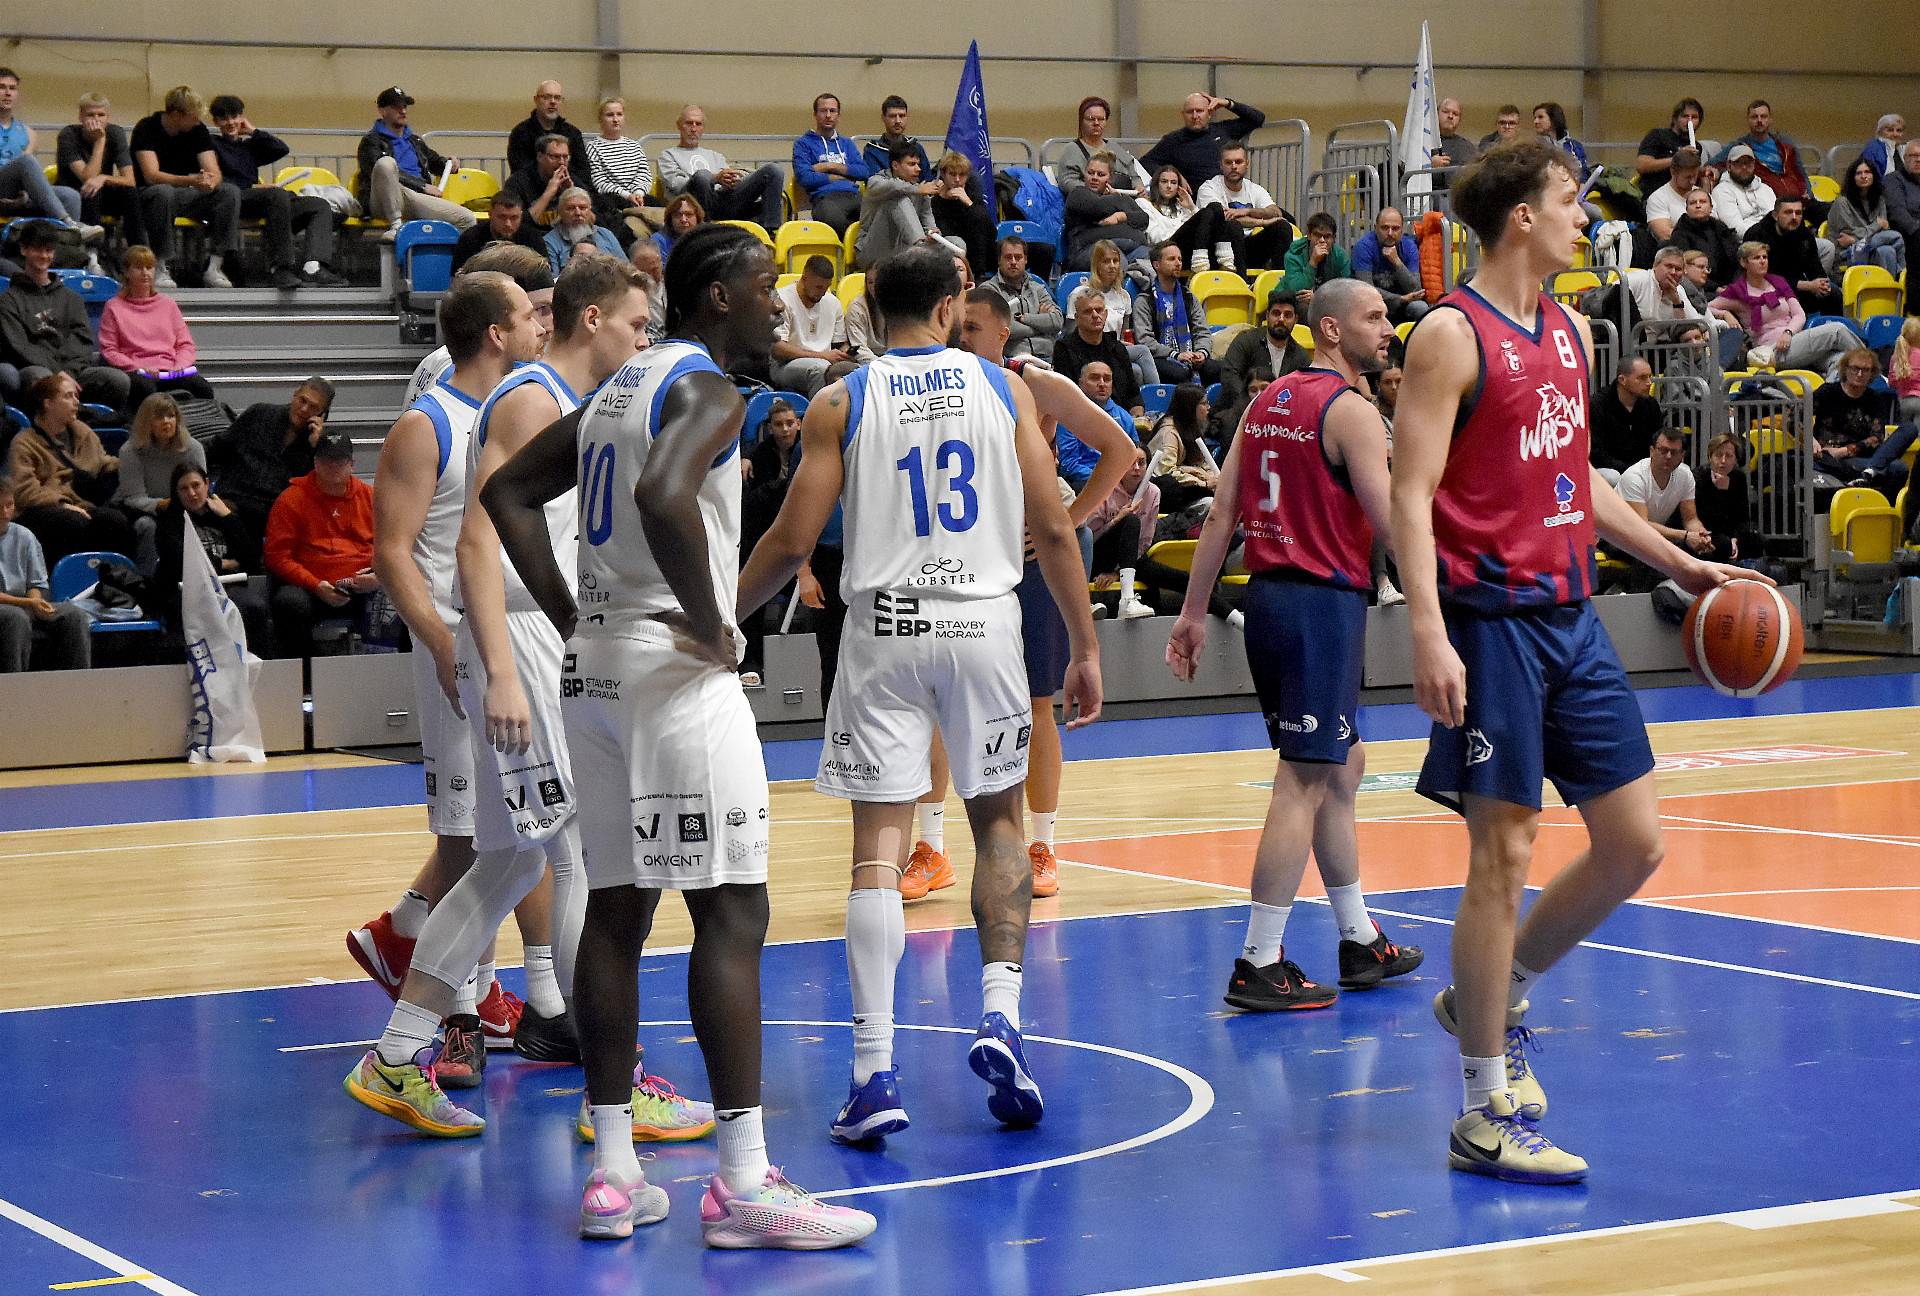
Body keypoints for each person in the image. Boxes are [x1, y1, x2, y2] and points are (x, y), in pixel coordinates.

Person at [479, 220, 875, 1246]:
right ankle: (741, 1183)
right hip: (671, 675)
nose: (779, 299)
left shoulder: (618, 385)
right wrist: (715, 622)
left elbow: (508, 491)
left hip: (595, 669)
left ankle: (613, 1176)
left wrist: (572, 615)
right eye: (764, 283)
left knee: (616, 911)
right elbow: (662, 494)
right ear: (720, 297)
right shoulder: (706, 389)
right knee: (731, 912)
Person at [1388, 135, 1752, 1186]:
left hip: (1572, 617)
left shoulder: (1571, 330)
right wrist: (1426, 629)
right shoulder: (1450, 335)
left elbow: (1575, 478)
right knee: (1503, 855)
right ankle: (1481, 1108)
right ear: (1522, 217)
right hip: (1491, 622)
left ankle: (1497, 993)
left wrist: (1680, 560)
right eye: (1568, 200)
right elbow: (1410, 493)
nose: (1584, 217)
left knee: (1634, 844)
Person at [737, 240, 1103, 1154]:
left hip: (884, 629)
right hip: (984, 624)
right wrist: (1086, 644)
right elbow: (1055, 527)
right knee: (1000, 824)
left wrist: (720, 617)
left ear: (870, 311)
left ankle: (872, 1072)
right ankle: (1001, 1015)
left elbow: (790, 541)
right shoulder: (1004, 389)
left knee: (878, 851)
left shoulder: (839, 399)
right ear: (949, 308)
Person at [1169, 275, 1424, 1010]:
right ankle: (1258, 960)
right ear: (1332, 330)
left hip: (1271, 601)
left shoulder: (1264, 403)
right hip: (1319, 608)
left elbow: (1222, 513)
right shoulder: (1351, 412)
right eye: (1374, 316)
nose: (1388, 327)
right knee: (1302, 780)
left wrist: (1192, 613)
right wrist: (1446, 603)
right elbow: (1391, 525)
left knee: (1344, 767)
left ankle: (1358, 938)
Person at [955, 284, 1134, 896]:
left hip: (1035, 557)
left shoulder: (1034, 382)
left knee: (1037, 703)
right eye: (957, 325)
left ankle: (1043, 844)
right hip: (973, 556)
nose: (960, 336)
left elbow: (1121, 449)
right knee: (941, 701)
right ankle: (931, 845)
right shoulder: (942, 386)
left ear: (1002, 333)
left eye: (972, 327)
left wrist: (1070, 518)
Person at [206, 95, 343, 288]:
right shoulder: (212, 145)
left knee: (318, 205)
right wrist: (253, 188)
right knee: (276, 194)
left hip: (264, 202)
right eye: (224, 118)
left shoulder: (249, 146)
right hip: (235, 200)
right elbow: (217, 181)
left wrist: (253, 131)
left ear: (242, 117)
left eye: (235, 117)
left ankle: (313, 267)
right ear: (215, 122)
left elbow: (281, 149)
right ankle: (281, 268)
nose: (230, 122)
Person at [0, 221, 133, 417]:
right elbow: (19, 346)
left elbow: (82, 340)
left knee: (118, 380)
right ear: (24, 250)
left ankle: (100, 424)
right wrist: (57, 373)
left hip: (71, 371)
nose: (44, 256)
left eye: (48, 250)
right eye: (38, 249)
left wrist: (67, 373)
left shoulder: (71, 298)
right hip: (35, 371)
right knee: (42, 378)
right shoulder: (8, 300)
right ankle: (71, 422)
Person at [264, 431, 376, 658]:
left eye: (340, 460)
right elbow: (277, 557)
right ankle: (303, 675)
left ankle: (400, 670)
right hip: (312, 589)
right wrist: (316, 585)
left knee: (407, 596)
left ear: (352, 464)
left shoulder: (371, 497)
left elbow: (393, 547)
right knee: (289, 603)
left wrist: (380, 576)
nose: (333, 465)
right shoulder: (291, 499)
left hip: (365, 588)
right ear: (316, 463)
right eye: (327, 459)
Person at [6, 372, 134, 569]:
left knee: (116, 521)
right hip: (41, 509)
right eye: (68, 396)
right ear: (48, 404)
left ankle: (119, 578)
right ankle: (67, 577)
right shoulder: (25, 442)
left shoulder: (82, 432)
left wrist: (134, 464)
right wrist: (62, 504)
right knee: (74, 523)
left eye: (75, 395)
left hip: (80, 505)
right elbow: (24, 492)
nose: (76, 401)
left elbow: (103, 462)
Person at [153, 461, 272, 654]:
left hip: (227, 586)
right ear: (176, 492)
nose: (192, 493)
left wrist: (229, 517)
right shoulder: (168, 521)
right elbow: (182, 560)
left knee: (255, 607)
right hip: (188, 590)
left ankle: (258, 664)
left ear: (207, 484)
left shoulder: (224, 514)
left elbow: (251, 559)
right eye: (184, 488)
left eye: (196, 485)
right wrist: (224, 563)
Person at [130, 86, 241, 286]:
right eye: (193, 117)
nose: (197, 121)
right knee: (162, 192)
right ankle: (161, 265)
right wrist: (191, 180)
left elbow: (213, 170)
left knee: (229, 191)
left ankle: (215, 266)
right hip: (150, 194)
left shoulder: (198, 130)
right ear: (175, 115)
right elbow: (152, 175)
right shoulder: (146, 128)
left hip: (187, 194)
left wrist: (210, 182)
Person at [206, 378, 335, 543]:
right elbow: (217, 448)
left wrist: (313, 448)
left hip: (273, 514)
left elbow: (316, 493)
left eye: (313, 407)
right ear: (295, 395)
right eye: (302, 400)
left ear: (322, 414)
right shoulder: (259, 413)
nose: (304, 409)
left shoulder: (318, 446)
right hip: (232, 500)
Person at [1710, 241, 1858, 373]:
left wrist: (1788, 332)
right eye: (1756, 258)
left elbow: (1799, 314)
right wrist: (1726, 314)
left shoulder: (1778, 283)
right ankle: (1869, 362)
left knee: (1839, 361)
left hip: (1794, 339)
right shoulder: (1738, 292)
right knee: (1837, 329)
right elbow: (1707, 308)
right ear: (1744, 263)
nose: (1762, 261)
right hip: (1770, 350)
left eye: (1765, 257)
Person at [96, 246, 217, 407]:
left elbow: (185, 344)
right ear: (126, 272)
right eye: (139, 268)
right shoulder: (113, 306)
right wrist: (138, 367)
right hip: (137, 371)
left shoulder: (168, 304)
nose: (145, 273)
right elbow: (110, 350)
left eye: (149, 267)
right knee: (145, 389)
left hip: (170, 371)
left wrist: (180, 364)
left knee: (202, 388)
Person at [354, 87, 475, 236]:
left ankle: (434, 248)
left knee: (467, 219)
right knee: (386, 163)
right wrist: (422, 186)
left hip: (415, 197)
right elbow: (376, 171)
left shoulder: (414, 140)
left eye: (404, 106)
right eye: (396, 107)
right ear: (382, 111)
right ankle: (396, 225)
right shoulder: (371, 141)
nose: (403, 111)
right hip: (384, 198)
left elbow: (433, 160)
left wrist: (449, 164)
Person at [0, 477, 90, 672]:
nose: (5, 513)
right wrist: (29, 603)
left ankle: (78, 683)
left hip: (26, 605)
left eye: (9, 505)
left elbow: (35, 583)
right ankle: (14, 683)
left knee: (73, 615)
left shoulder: (24, 536)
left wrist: (37, 602)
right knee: (15, 618)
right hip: (9, 608)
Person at [113, 391, 206, 572]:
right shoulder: (130, 451)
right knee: (146, 526)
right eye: (159, 417)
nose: (167, 422)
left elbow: (200, 488)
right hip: (147, 512)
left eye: (171, 416)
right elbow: (133, 498)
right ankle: (147, 578)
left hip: (184, 508)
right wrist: (164, 504)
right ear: (146, 422)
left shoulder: (193, 448)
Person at [656, 104, 784, 233]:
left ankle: (771, 230)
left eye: (698, 124)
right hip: (691, 204)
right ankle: (705, 231)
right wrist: (715, 178)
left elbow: (727, 182)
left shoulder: (715, 156)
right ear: (679, 125)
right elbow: (677, 185)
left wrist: (731, 180)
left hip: (724, 202)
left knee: (773, 170)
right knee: (703, 176)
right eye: (689, 123)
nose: (693, 129)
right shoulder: (667, 155)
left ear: (703, 129)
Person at [0, 68, 94, 235]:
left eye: (12, 88)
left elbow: (28, 175)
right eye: (2, 87)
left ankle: (69, 245)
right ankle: (69, 223)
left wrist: (24, 196)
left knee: (70, 195)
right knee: (26, 161)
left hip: (18, 194)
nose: (7, 93)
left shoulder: (29, 133)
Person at [1218, 288, 1311, 443]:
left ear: (1296, 319)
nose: (1281, 319)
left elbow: (1305, 392)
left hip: (1280, 420)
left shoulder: (1300, 355)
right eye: (1276, 313)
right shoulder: (1246, 340)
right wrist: (1256, 406)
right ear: (1267, 316)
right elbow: (1229, 376)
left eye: (1287, 315)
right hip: (1240, 413)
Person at [56, 92, 144, 252]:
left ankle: (138, 252)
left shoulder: (115, 133)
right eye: (90, 115)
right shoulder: (68, 135)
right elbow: (88, 177)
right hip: (76, 196)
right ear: (81, 117)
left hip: (103, 193)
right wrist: (100, 141)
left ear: (108, 117)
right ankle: (91, 254)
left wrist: (103, 178)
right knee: (91, 189)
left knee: (130, 193)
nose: (96, 120)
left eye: (101, 115)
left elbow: (130, 180)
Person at [1812, 349, 1905, 495]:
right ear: (1845, 369)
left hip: (1862, 455)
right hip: (1831, 457)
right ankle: (1870, 473)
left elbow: (1876, 439)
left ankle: (1882, 499)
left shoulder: (1875, 398)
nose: (1860, 374)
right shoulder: (1828, 392)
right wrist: (1811, 441)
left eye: (1866, 370)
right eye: (1855, 368)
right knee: (1893, 465)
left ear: (1872, 373)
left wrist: (1844, 451)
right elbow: (1793, 417)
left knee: (1908, 436)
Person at [1617, 428, 1711, 571]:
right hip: (1619, 537)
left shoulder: (1685, 475)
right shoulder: (1634, 477)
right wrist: (1685, 536)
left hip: (1654, 537)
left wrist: (1700, 535)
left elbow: (1691, 520)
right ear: (1652, 451)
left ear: (1682, 456)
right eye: (1663, 450)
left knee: (1711, 549)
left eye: (1674, 452)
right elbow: (1641, 525)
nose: (1668, 456)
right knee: (1655, 554)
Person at [1068, 239, 1154, 389]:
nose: (1112, 266)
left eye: (1116, 261)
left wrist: (1121, 343)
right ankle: (1157, 397)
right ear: (1096, 265)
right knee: (1142, 351)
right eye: (1106, 261)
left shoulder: (1124, 296)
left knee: (1137, 371)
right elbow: (1070, 333)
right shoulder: (1080, 294)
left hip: (1114, 349)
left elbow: (1123, 334)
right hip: (1088, 349)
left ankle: (1140, 401)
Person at [1132, 241, 1221, 385]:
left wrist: (1201, 352)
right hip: (1161, 357)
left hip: (1191, 355)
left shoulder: (1189, 298)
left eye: (1179, 259)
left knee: (1219, 369)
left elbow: (1202, 331)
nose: (1178, 263)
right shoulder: (1145, 300)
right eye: (1171, 259)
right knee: (1179, 373)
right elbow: (1145, 340)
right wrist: (1176, 355)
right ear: (1156, 265)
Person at [1196, 143, 1293, 272]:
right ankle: (1242, 277)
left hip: (1249, 246)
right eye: (1228, 162)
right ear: (1221, 165)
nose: (1234, 166)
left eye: (1238, 162)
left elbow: (1275, 212)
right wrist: (1263, 222)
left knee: (1282, 227)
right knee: (1233, 227)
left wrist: (1247, 211)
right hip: (1221, 248)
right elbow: (1222, 218)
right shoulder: (1209, 188)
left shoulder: (1254, 189)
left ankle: (1279, 278)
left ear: (1246, 164)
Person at [1142, 93, 1266, 194]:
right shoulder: (1173, 140)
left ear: (1209, 113)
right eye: (1190, 112)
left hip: (1230, 196)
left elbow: (1257, 118)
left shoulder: (1224, 130)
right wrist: (1174, 175)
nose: (1195, 116)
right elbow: (1145, 162)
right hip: (1196, 202)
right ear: (1183, 115)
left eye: (1199, 111)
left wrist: (1227, 103)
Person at [1712, 100, 1817, 214]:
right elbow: (1712, 165)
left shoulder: (1785, 143)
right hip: (1773, 205)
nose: (1759, 121)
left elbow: (1801, 172)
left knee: (1827, 210)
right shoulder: (1740, 146)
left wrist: (1809, 194)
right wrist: (1722, 172)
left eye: (1763, 116)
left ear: (1770, 119)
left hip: (1800, 201)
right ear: (1748, 120)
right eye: (1754, 117)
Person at [855, 143, 950, 268]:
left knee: (956, 242)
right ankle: (921, 252)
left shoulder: (920, 189)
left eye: (918, 164)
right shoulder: (876, 182)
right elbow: (894, 186)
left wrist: (933, 233)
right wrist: (917, 190)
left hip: (903, 251)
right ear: (895, 165)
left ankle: (926, 256)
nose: (918, 169)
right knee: (898, 200)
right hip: (871, 253)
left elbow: (928, 221)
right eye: (911, 164)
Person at [1054, 292, 1146, 420]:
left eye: (1099, 310)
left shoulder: (1117, 347)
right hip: (1084, 419)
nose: (1095, 315)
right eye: (1087, 311)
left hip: (1121, 418)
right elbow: (1067, 397)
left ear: (1106, 314)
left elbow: (1133, 392)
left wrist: (1137, 412)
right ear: (1077, 318)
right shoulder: (1064, 349)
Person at [771, 255, 855, 397]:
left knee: (855, 369)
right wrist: (822, 356)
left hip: (825, 360)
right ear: (804, 279)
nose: (822, 293)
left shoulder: (833, 303)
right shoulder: (782, 300)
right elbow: (778, 349)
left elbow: (840, 344)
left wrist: (846, 354)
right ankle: (819, 411)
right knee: (820, 368)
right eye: (818, 287)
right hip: (785, 364)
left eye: (826, 287)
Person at [1743, 195, 1838, 316]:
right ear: (1775, 215)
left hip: (1796, 285)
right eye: (1788, 212)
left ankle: (1833, 326)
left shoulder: (1804, 234)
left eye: (1798, 213)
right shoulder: (1757, 235)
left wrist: (1822, 284)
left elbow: (1814, 267)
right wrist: (1807, 285)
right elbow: (1764, 277)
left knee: (1833, 295)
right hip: (1764, 289)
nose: (1794, 217)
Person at [793, 93, 869, 236]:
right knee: (832, 218)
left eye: (832, 111)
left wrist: (829, 166)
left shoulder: (847, 143)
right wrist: (838, 177)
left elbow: (864, 172)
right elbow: (804, 177)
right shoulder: (803, 144)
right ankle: (854, 246)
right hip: (824, 197)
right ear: (815, 114)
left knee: (879, 215)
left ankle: (859, 245)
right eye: (823, 111)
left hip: (853, 195)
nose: (828, 115)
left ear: (838, 115)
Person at [979, 236, 1064, 360]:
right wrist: (1041, 326)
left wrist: (1022, 318)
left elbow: (1057, 321)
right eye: (1008, 257)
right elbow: (1000, 328)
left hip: (1047, 356)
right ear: (999, 260)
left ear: (1025, 260)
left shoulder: (1038, 288)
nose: (1013, 262)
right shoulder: (989, 290)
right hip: (1012, 358)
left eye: (1018, 257)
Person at [584, 97, 656, 239]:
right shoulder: (593, 147)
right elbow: (599, 181)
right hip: (612, 198)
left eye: (619, 114)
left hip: (637, 196)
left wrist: (638, 193)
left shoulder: (634, 146)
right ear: (601, 120)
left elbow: (644, 175)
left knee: (658, 205)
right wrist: (627, 195)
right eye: (610, 115)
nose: (615, 119)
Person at [1064, 152, 1149, 270]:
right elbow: (1098, 207)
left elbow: (1143, 219)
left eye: (1101, 174)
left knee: (1153, 262)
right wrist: (1119, 199)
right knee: (1114, 260)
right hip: (1089, 249)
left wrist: (1121, 216)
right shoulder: (1078, 193)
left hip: (1133, 247)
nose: (1094, 178)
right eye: (1090, 173)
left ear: (1110, 178)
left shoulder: (1119, 198)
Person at [1350, 207, 1428, 324]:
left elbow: (1416, 289)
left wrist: (1397, 262)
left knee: (1420, 307)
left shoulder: (1409, 246)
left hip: (1403, 304)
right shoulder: (1363, 247)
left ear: (1402, 229)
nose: (1390, 233)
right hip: (1373, 303)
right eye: (1385, 228)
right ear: (1376, 228)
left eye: (1395, 228)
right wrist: (1400, 299)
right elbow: (1366, 290)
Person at [1829, 156, 1906, 275]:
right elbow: (1847, 236)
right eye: (1859, 173)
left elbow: (1883, 229)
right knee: (1895, 236)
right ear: (1852, 178)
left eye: (1867, 172)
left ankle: (1891, 284)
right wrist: (1876, 225)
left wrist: (1856, 238)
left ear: (1874, 175)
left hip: (1871, 248)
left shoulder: (1879, 199)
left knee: (1887, 250)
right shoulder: (1842, 202)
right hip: (1847, 254)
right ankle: (1903, 275)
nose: (1863, 176)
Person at [929, 151, 999, 280]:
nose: (957, 180)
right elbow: (945, 234)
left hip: (980, 254)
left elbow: (991, 232)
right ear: (943, 174)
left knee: (1037, 249)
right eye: (952, 174)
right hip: (952, 253)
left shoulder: (971, 196)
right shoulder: (935, 202)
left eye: (962, 175)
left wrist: (968, 203)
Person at [1589, 357, 1662, 480]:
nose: (1649, 383)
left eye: (1649, 377)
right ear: (1622, 379)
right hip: (1607, 469)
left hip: (1641, 470)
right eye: (1642, 378)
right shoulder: (1597, 405)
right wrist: (1631, 470)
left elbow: (1656, 441)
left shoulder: (1650, 405)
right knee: (1612, 477)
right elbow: (1596, 453)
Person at [1693, 432, 1760, 563]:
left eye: (1729, 456)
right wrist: (1721, 491)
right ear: (1710, 457)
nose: (1723, 461)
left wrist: (1735, 539)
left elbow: (1743, 517)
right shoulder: (1698, 477)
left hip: (1730, 534)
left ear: (1736, 460)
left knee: (1756, 541)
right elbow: (1708, 519)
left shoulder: (1738, 477)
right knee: (1722, 544)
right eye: (1718, 455)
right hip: (1706, 532)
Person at [1055, 96, 1142, 193]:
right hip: (1089, 199)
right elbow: (1067, 182)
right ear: (1082, 121)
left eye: (1101, 119)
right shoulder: (1072, 150)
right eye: (1091, 119)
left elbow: (1133, 174)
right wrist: (1097, 191)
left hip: (1124, 196)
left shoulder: (1114, 147)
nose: (1096, 123)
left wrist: (1138, 185)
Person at [506, 81, 590, 180]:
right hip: (532, 187)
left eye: (557, 98)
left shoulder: (573, 133)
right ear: (536, 100)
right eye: (546, 97)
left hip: (568, 185)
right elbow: (520, 171)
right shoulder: (520, 133)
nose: (553, 102)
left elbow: (583, 171)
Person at [501, 133, 579, 232]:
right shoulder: (517, 182)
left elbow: (592, 219)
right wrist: (548, 193)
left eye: (565, 157)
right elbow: (518, 225)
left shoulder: (572, 180)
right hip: (532, 236)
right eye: (555, 157)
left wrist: (572, 194)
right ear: (539, 157)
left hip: (565, 236)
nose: (562, 162)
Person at [1666, 188, 1742, 289]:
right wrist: (1715, 288)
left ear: (1711, 207)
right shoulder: (1680, 233)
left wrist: (1736, 285)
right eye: (1693, 203)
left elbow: (1737, 257)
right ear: (1687, 209)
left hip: (1731, 284)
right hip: (1701, 288)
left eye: (1703, 202)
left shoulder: (1720, 227)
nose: (1698, 206)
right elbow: (1685, 270)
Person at [451, 192, 545, 271]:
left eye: (514, 218)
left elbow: (544, 272)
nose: (508, 224)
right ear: (490, 214)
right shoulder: (470, 238)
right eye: (502, 217)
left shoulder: (532, 236)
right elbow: (458, 276)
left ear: (521, 216)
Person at [1635, 98, 1705, 198]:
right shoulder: (1658, 135)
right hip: (1654, 194)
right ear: (1675, 119)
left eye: (1694, 117)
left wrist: (1703, 172)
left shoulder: (1697, 146)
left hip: (1681, 197)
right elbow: (1642, 166)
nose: (1689, 121)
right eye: (1685, 116)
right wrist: (1678, 158)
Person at [1281, 212, 1352, 309]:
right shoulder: (1294, 254)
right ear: (1309, 235)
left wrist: (1318, 298)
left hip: (1323, 302)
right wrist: (1313, 262)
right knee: (1304, 306)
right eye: (1317, 235)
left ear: (1333, 238)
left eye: (1327, 236)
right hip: (1290, 301)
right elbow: (1298, 291)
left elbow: (1346, 291)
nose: (1322, 240)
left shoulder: (1340, 256)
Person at [543, 188, 623, 273]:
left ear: (590, 211)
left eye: (583, 208)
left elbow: (625, 268)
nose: (578, 213)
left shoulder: (605, 234)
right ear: (560, 212)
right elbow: (553, 278)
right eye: (571, 208)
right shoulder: (549, 242)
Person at [1710, 144, 1775, 236]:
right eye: (1738, 163)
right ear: (1729, 166)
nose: (1744, 167)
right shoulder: (1721, 191)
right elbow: (1735, 229)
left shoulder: (1766, 189)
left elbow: (1779, 219)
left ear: (1754, 165)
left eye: (1748, 163)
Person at [862, 95, 931, 180]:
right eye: (892, 116)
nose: (898, 121)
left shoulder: (916, 147)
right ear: (883, 118)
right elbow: (874, 183)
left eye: (902, 116)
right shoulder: (873, 150)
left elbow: (927, 179)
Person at [1644, 147, 1702, 241]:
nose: (1692, 181)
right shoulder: (1657, 198)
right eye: (1687, 177)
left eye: (1695, 176)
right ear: (1673, 173)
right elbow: (1665, 235)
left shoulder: (1702, 194)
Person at [1430, 98, 1477, 192]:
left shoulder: (1467, 147)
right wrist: (1428, 165)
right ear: (1436, 114)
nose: (1450, 116)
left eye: (1455, 114)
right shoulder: (1421, 143)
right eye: (1445, 112)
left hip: (1459, 195)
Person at [652, 193, 702, 261]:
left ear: (697, 217)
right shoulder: (659, 241)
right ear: (670, 220)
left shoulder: (707, 237)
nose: (684, 220)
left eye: (689, 214)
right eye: (678, 215)